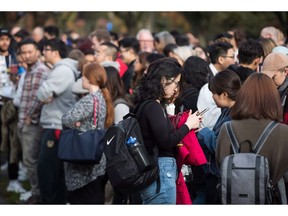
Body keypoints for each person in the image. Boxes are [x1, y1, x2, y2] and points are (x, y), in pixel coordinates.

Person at [133, 57, 203, 204]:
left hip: (154, 170)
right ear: (164, 80)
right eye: (175, 83)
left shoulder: (147, 104)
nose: (176, 88)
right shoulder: (153, 106)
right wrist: (188, 125)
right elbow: (166, 141)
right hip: (161, 171)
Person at [216, 73, 288, 203]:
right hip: (271, 199)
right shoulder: (283, 132)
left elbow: (221, 163)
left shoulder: (227, 128)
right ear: (274, 99)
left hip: (234, 198)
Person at [62, 62, 114, 204]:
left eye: (83, 76)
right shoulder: (103, 97)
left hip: (83, 158)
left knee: (83, 198)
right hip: (97, 155)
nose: (82, 79)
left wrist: (77, 124)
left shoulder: (89, 100)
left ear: (89, 78)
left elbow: (67, 119)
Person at [36, 38, 80, 204]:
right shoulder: (62, 69)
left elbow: (42, 94)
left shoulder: (62, 71)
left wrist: (45, 92)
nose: (43, 53)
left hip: (56, 125)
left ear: (55, 52)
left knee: (47, 169)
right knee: (54, 170)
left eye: (46, 49)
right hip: (57, 124)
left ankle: (50, 204)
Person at [196, 69, 242, 204]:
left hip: (222, 177)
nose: (212, 97)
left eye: (214, 94)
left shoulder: (234, 117)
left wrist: (202, 131)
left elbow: (220, 147)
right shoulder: (228, 110)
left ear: (224, 95)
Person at [17, 38, 49, 204]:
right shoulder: (29, 70)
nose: (27, 55)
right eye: (24, 52)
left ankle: (38, 195)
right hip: (25, 121)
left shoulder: (40, 71)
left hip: (33, 124)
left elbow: (39, 98)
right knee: (29, 160)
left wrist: (30, 117)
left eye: (30, 52)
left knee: (31, 161)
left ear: (38, 52)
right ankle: (36, 192)